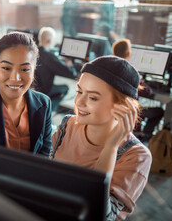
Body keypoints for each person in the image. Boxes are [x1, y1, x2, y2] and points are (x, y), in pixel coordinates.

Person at [51, 56, 152, 220]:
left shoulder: (137, 156)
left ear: (123, 107)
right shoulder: (68, 124)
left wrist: (111, 147)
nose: (79, 102)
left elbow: (101, 216)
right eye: (79, 91)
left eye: (92, 97)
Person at [112, 39, 164, 141]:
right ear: (129, 54)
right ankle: (144, 135)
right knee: (159, 111)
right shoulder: (130, 72)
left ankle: (141, 133)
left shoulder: (110, 67)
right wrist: (143, 83)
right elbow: (147, 92)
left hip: (114, 109)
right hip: (127, 111)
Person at [36, 27, 77, 112]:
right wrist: (69, 65)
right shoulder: (49, 56)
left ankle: (45, 109)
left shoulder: (34, 52)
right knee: (65, 88)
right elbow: (69, 73)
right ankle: (49, 112)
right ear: (49, 41)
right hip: (44, 90)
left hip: (34, 89)